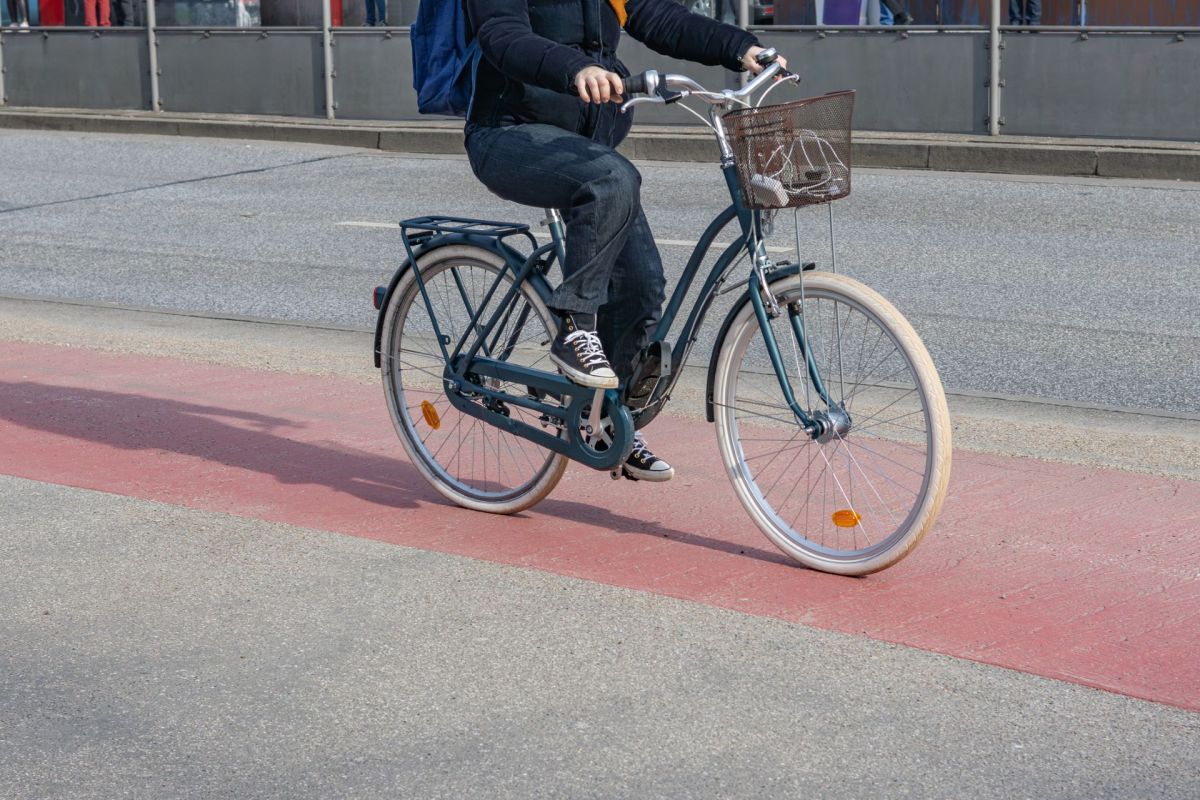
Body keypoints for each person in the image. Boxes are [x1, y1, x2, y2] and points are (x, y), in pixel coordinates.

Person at [463, 0, 784, 482]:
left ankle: (605, 421)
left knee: (642, 286)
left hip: (585, 147)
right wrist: (577, 69)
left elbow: (657, 16)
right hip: (509, 135)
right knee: (613, 181)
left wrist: (740, 48)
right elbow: (503, 35)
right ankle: (575, 327)